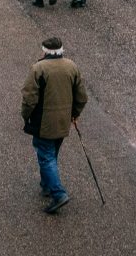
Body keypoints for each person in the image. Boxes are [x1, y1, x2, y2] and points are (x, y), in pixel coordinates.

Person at [20, 36, 89, 215]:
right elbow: (81, 96)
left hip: (43, 122)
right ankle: (47, 185)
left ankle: (58, 193)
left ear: (45, 51)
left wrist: (25, 115)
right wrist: (74, 114)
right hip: (63, 121)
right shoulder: (71, 66)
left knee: (45, 156)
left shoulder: (38, 68)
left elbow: (29, 98)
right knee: (51, 154)